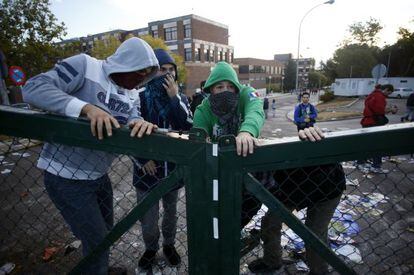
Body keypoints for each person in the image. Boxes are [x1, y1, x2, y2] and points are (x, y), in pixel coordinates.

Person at [22, 37, 159, 275]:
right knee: (96, 239)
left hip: (99, 175)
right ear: (124, 64)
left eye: (147, 74)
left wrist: (139, 122)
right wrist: (86, 108)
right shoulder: (86, 66)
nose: (142, 79)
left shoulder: (132, 93)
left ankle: (99, 268)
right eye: (140, 71)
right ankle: (96, 269)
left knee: (105, 232)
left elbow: (133, 116)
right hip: (65, 175)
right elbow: (33, 88)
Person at [133, 48, 192, 270]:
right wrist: (142, 158)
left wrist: (174, 98)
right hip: (146, 172)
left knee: (170, 214)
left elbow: (187, 127)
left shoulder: (181, 98)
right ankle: (150, 249)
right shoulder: (138, 97)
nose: (167, 74)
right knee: (148, 218)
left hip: (172, 172)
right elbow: (129, 132)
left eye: (171, 70)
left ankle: (169, 245)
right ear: (151, 72)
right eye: (161, 70)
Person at [248, 164, 346, 274]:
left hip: (327, 187)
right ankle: (272, 262)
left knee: (315, 233)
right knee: (271, 221)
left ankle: (319, 271)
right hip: (291, 185)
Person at [193, 61, 264, 157]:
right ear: (211, 89)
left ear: (236, 88)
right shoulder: (203, 110)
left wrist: (247, 132)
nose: (225, 91)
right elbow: (199, 143)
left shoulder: (247, 94)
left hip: (246, 157)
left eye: (231, 86)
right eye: (219, 87)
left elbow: (255, 111)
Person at [358, 84, 397, 173]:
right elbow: (379, 110)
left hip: (367, 122)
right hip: (373, 123)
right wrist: (391, 110)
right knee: (378, 145)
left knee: (367, 144)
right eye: (389, 93)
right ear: (386, 89)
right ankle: (376, 166)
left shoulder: (372, 94)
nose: (388, 95)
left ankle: (361, 162)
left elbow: (373, 107)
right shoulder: (380, 96)